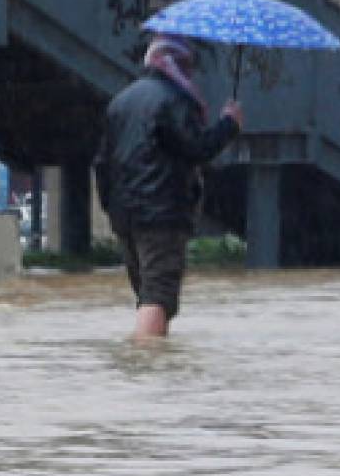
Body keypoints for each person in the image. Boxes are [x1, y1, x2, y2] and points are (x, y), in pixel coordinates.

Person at [94, 35, 243, 338]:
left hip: (125, 215)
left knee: (147, 293)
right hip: (161, 213)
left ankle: (150, 360)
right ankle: (149, 366)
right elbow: (198, 148)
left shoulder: (122, 101)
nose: (191, 74)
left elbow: (101, 163)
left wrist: (111, 206)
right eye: (188, 66)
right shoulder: (173, 101)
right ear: (177, 63)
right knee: (158, 294)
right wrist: (229, 124)